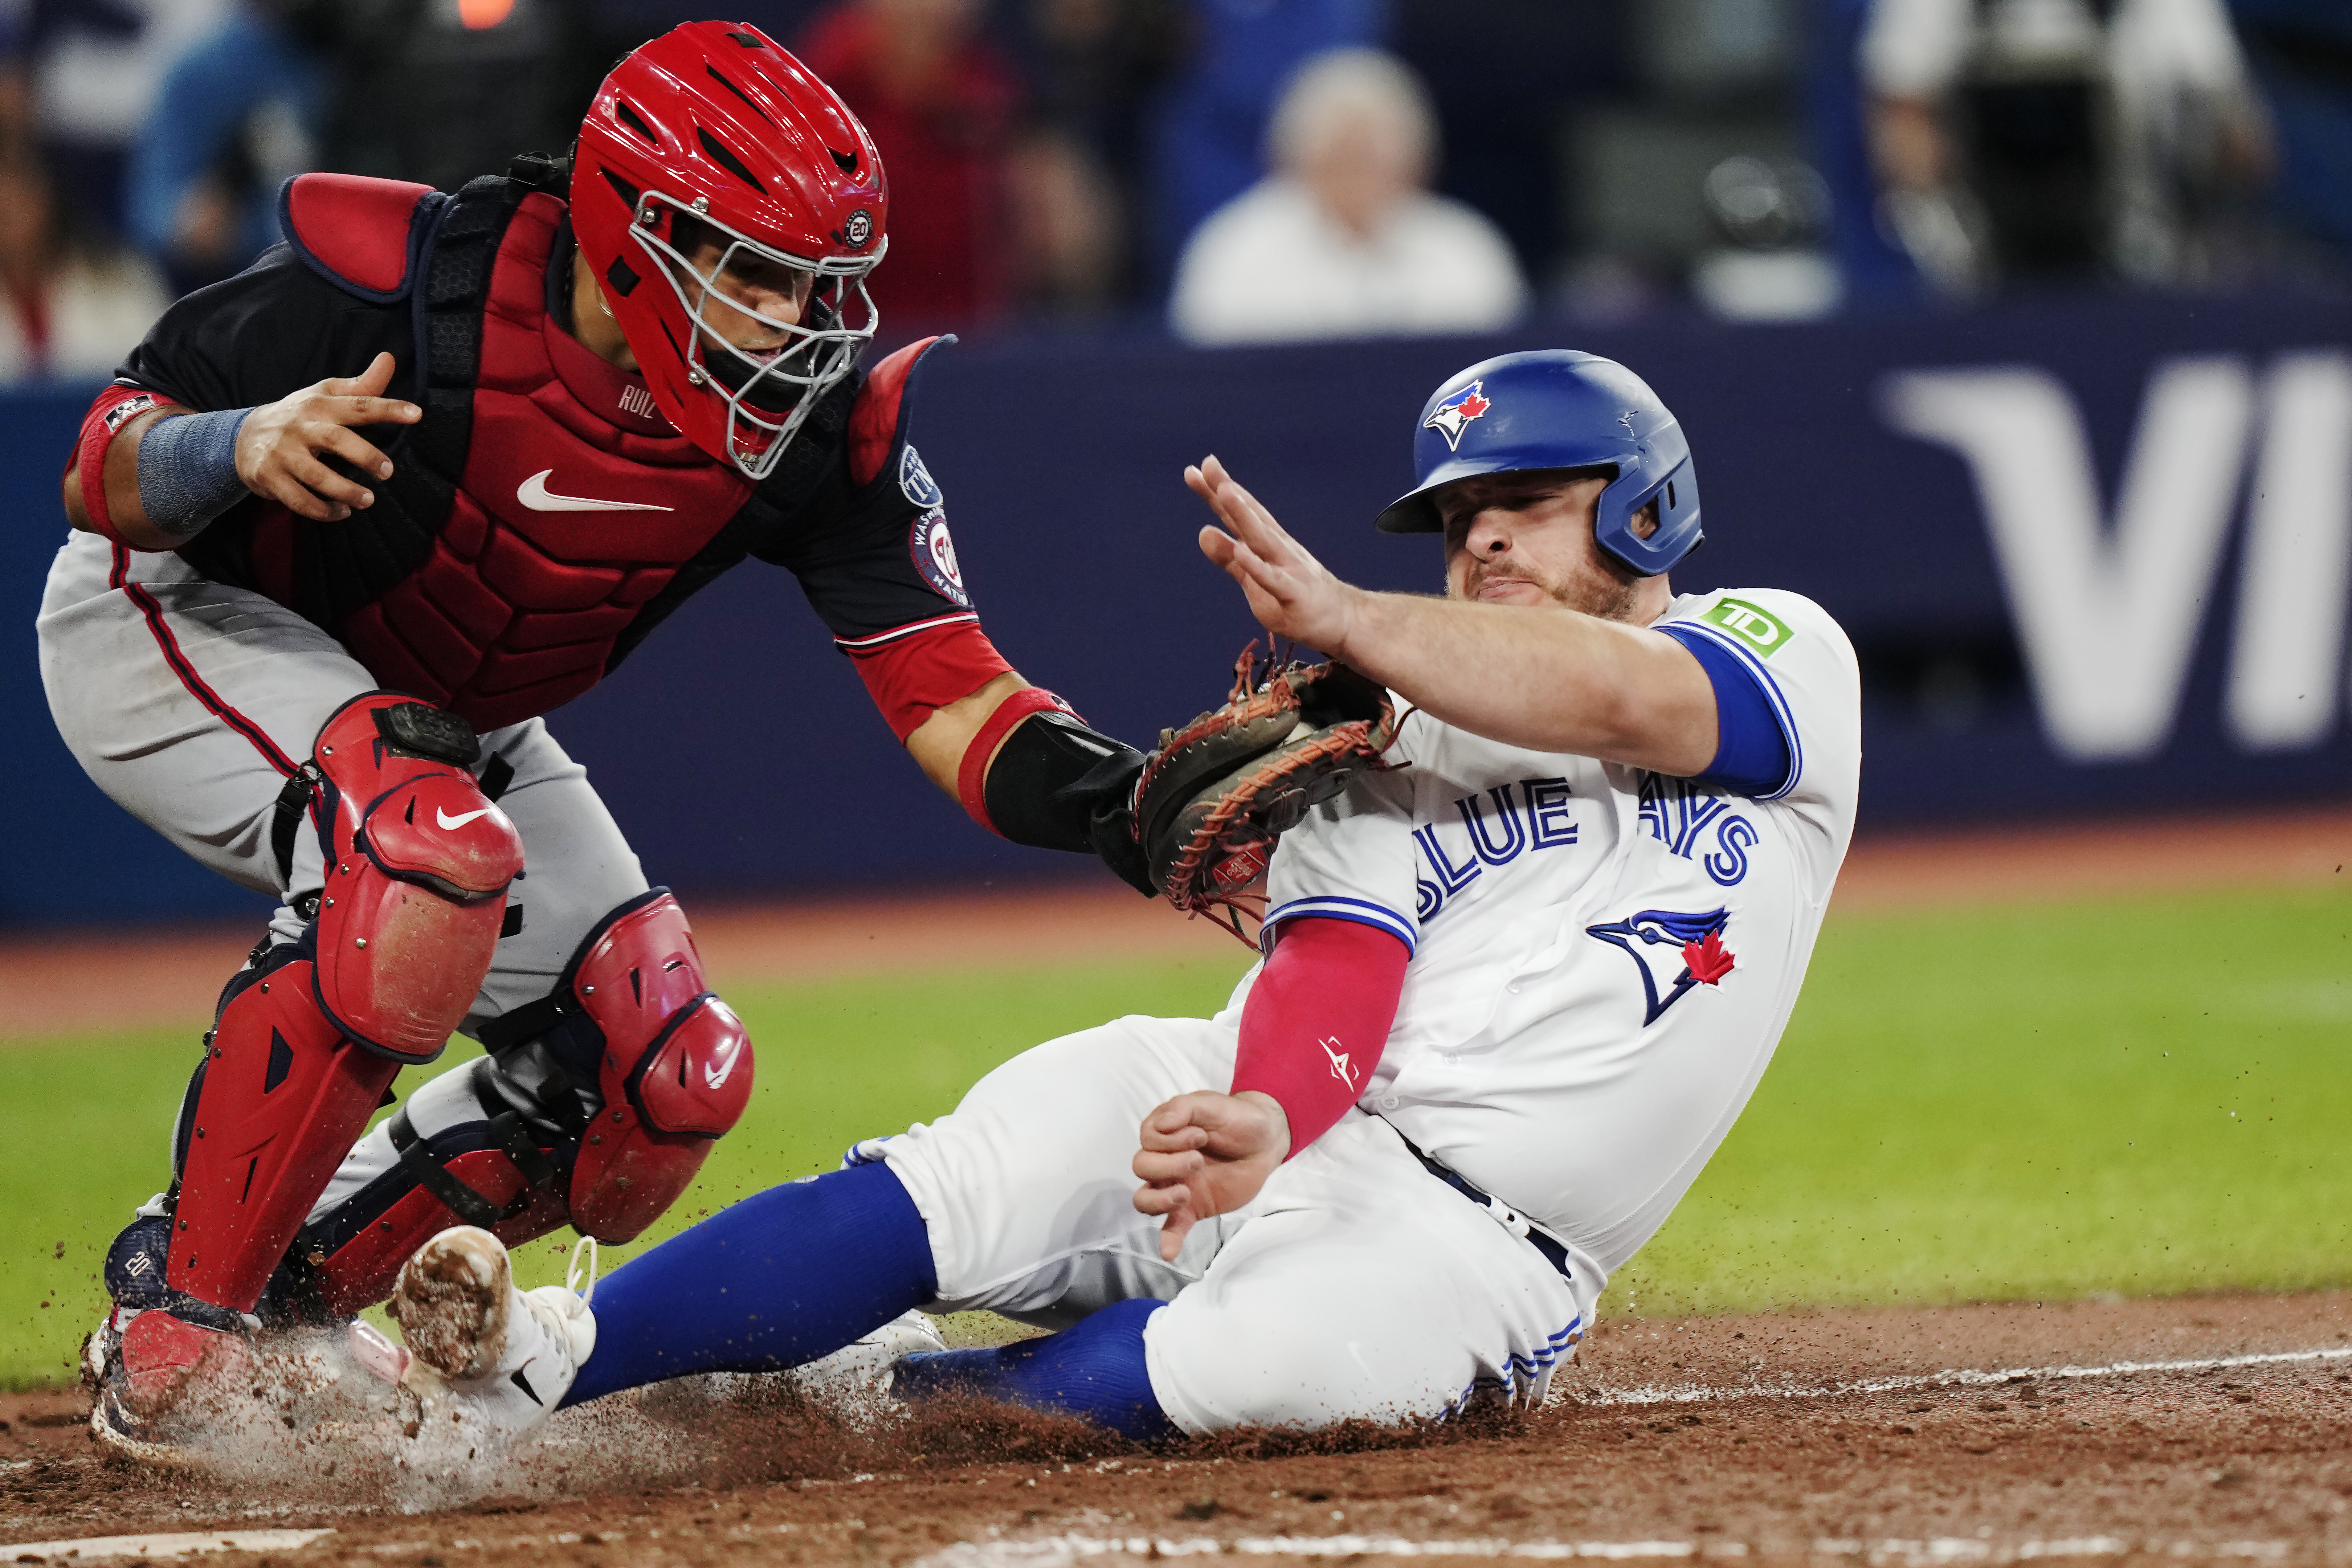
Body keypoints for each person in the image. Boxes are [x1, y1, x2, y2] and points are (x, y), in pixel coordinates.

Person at [367, 349, 1862, 1440]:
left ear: (1646, 514)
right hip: (1256, 1097)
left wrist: (1355, 613)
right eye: (1458, 516)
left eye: (1524, 502)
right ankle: (544, 1358)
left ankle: (861, 1403)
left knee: (1254, 1372)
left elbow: (1621, 698)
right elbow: (1341, 955)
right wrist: (1272, 1110)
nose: (1478, 537)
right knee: (971, 1176)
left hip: (1475, 1242)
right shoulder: (1373, 728)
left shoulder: (1784, 657)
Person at [43, 21, 1154, 1462]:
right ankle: (176, 1330)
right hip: (180, 615)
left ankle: (293, 1306)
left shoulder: (812, 426)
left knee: (661, 1067)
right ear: (635, 231)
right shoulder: (403, 285)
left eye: (820, 284)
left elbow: (953, 696)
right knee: (417, 858)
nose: (800, 324)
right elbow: (100, 465)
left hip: (437, 718)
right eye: (756, 275)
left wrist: (1154, 802)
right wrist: (236, 446)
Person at [1167, 49, 1527, 347]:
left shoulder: (1465, 249)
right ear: (1290, 163)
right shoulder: (1234, 252)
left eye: (1372, 162)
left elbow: (1496, 382)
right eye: (1338, 163)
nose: (1357, 181)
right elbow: (1206, 389)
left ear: (1417, 167)